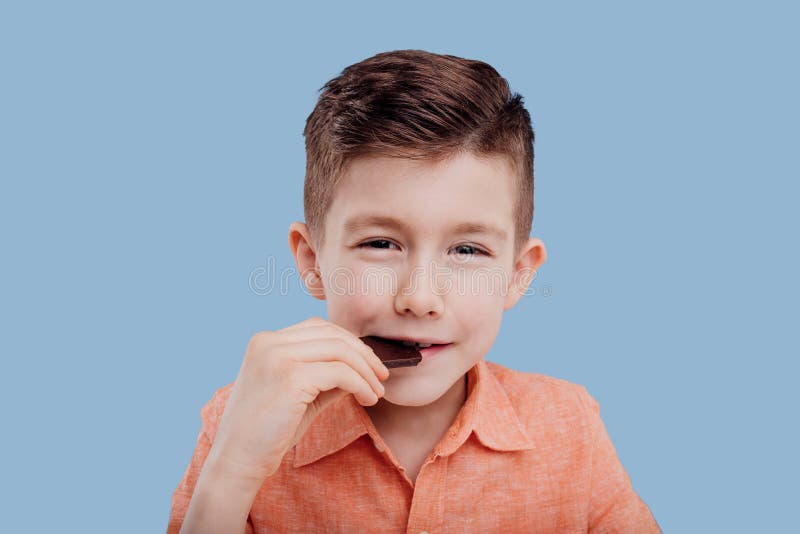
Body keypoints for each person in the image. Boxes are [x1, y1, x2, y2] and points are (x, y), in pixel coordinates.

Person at [167, 49, 660, 533]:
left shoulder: (569, 426)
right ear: (313, 262)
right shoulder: (239, 421)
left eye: (467, 251)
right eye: (380, 244)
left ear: (517, 274)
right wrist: (233, 471)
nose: (419, 298)